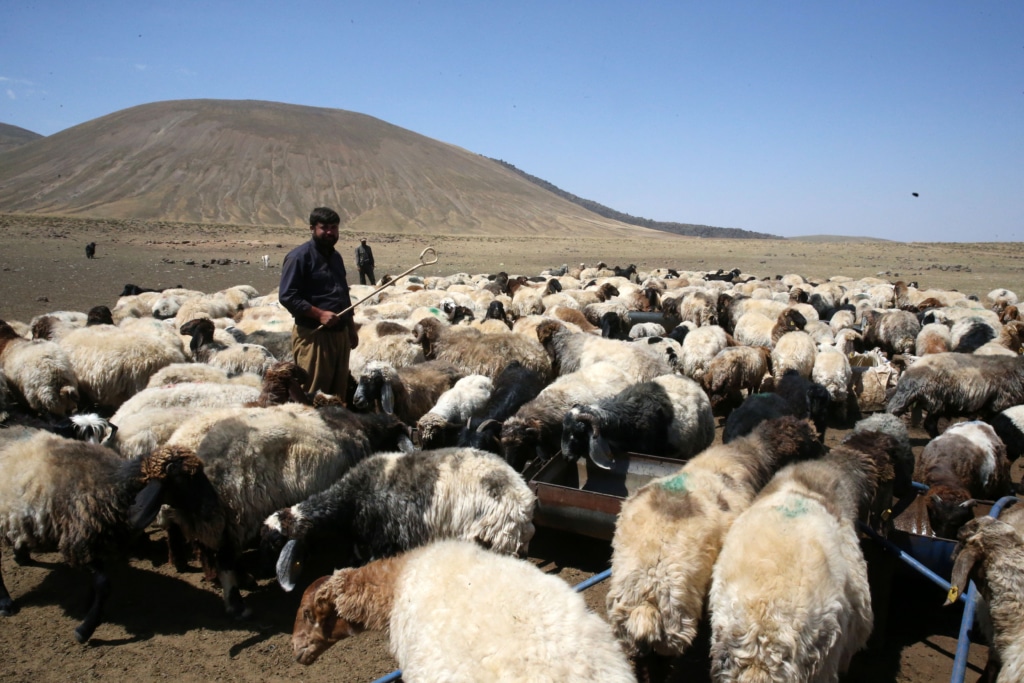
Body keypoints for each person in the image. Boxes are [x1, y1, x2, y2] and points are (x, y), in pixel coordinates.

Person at [279, 207, 359, 398]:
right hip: (315, 336)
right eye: (324, 228)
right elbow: (287, 296)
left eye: (334, 227)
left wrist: (351, 328)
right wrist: (319, 314)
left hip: (339, 335)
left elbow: (342, 296)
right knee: (314, 392)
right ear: (312, 228)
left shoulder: (336, 257)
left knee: (338, 392)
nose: (330, 232)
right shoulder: (299, 257)